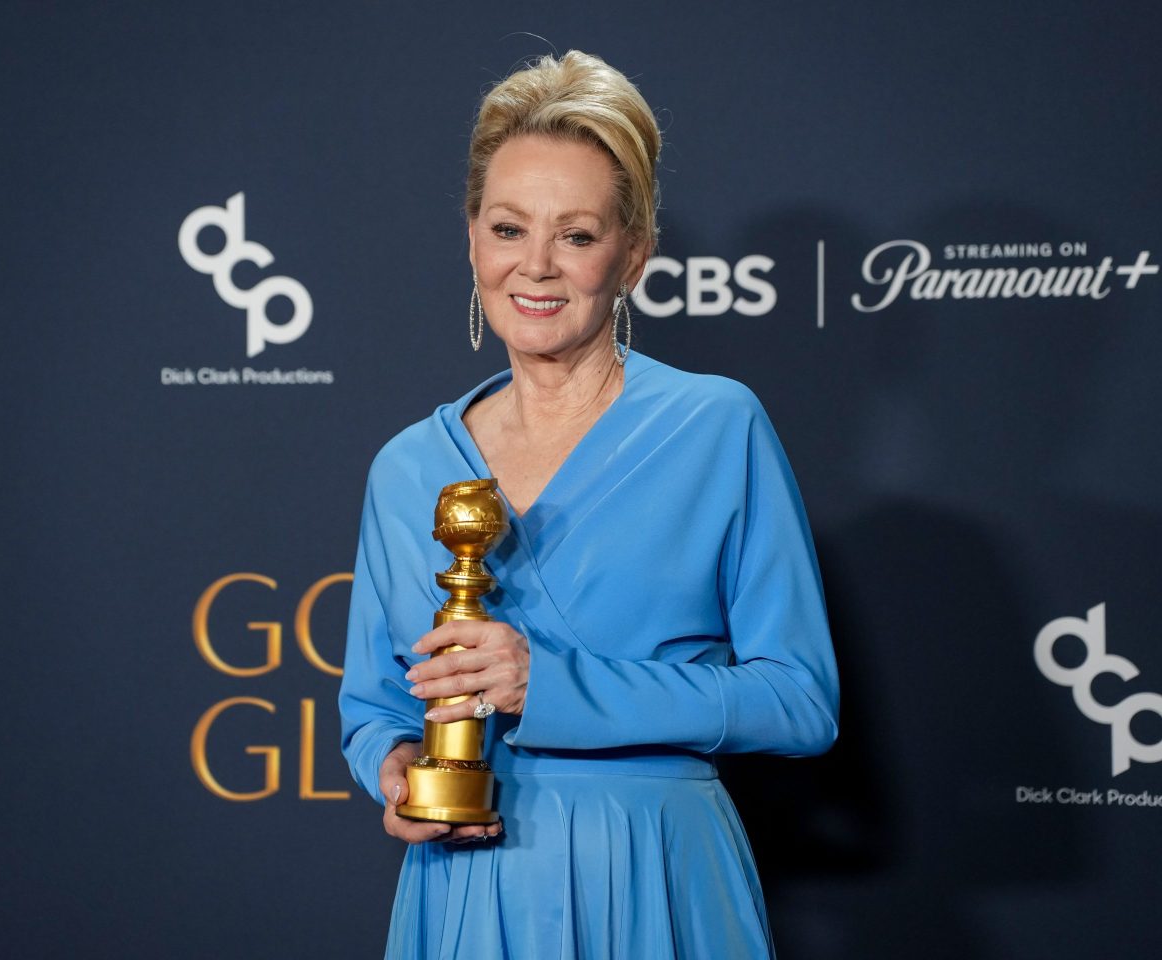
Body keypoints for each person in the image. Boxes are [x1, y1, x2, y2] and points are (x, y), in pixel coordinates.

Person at [339, 50, 839, 959]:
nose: (535, 266)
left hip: (657, 869)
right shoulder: (407, 468)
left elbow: (798, 700)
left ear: (633, 254)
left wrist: (554, 685)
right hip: (468, 884)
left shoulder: (715, 427)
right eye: (507, 228)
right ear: (472, 239)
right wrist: (400, 771)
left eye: (575, 235)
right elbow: (375, 705)